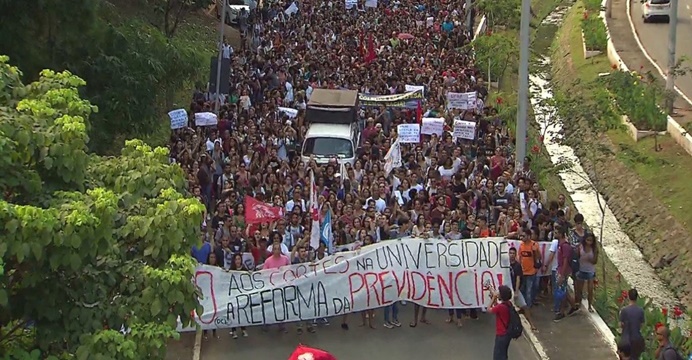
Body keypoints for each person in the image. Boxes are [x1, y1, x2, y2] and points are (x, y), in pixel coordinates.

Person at [508, 247, 536, 331]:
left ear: (515, 255)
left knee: (524, 306)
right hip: (507, 290)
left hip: (514, 289)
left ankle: (532, 324)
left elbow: (518, 278)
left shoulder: (517, 265)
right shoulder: (505, 265)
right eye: (510, 253)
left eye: (513, 253)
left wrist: (516, 291)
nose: (511, 255)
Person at [489, 285, 514, 360]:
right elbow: (497, 308)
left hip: (501, 334)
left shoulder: (501, 307)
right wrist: (494, 299)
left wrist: (493, 298)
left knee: (498, 355)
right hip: (507, 334)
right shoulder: (508, 304)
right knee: (503, 354)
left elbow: (489, 309)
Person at [619, 289, 645, 359]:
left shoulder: (624, 310)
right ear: (637, 297)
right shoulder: (641, 311)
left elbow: (621, 324)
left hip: (625, 340)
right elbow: (642, 325)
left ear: (628, 297)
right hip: (637, 339)